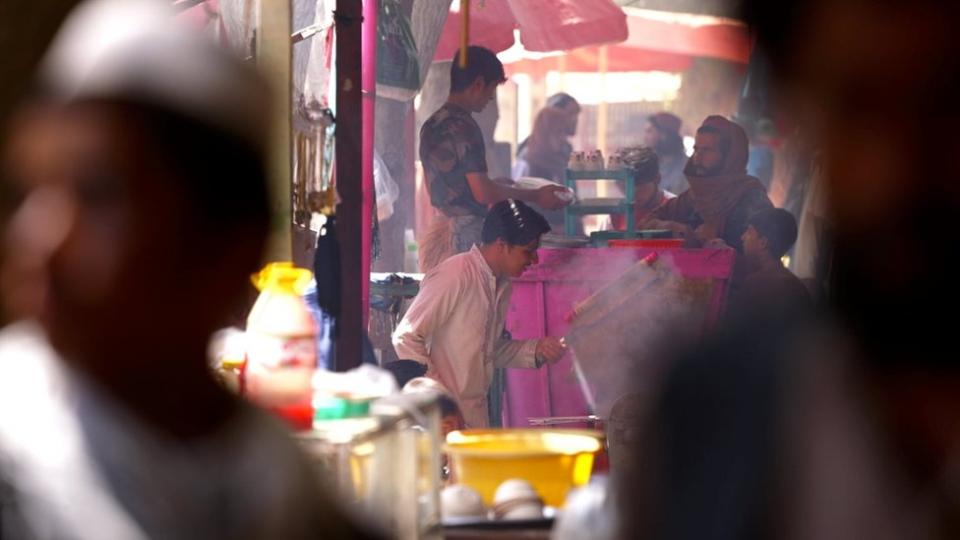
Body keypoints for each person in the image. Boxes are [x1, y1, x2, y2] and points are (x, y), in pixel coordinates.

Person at [0, 1, 369, 538]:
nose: (42, 242)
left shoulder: (282, 494)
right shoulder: (18, 460)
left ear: (227, 249)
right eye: (32, 192)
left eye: (99, 196)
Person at [393, 200, 567, 428]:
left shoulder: (501, 284)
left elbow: (488, 351)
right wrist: (438, 397)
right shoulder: (456, 274)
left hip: (473, 415)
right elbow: (405, 337)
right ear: (501, 245)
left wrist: (537, 349)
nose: (534, 260)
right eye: (528, 251)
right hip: (442, 419)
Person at [418, 46, 569, 272]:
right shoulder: (464, 127)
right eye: (492, 90)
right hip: (467, 236)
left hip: (441, 232)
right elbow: (482, 192)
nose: (490, 99)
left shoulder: (431, 124)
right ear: (478, 84)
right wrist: (536, 195)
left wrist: (496, 184)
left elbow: (443, 187)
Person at [643, 115, 773, 253]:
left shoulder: (751, 199)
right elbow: (646, 224)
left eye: (707, 150)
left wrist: (716, 243)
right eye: (696, 149)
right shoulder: (693, 196)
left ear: (728, 156)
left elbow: (764, 257)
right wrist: (674, 228)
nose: (697, 157)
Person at [731, 208, 811, 320]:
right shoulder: (799, 287)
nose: (742, 237)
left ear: (763, 242)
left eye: (749, 231)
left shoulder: (756, 284)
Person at [609, 146, 675, 232]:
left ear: (657, 179)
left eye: (638, 185)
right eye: (625, 186)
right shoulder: (616, 214)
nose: (632, 192)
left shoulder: (676, 209)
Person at [643, 112, 688, 195]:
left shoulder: (686, 167)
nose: (645, 137)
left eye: (649, 131)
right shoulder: (650, 164)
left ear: (664, 135)